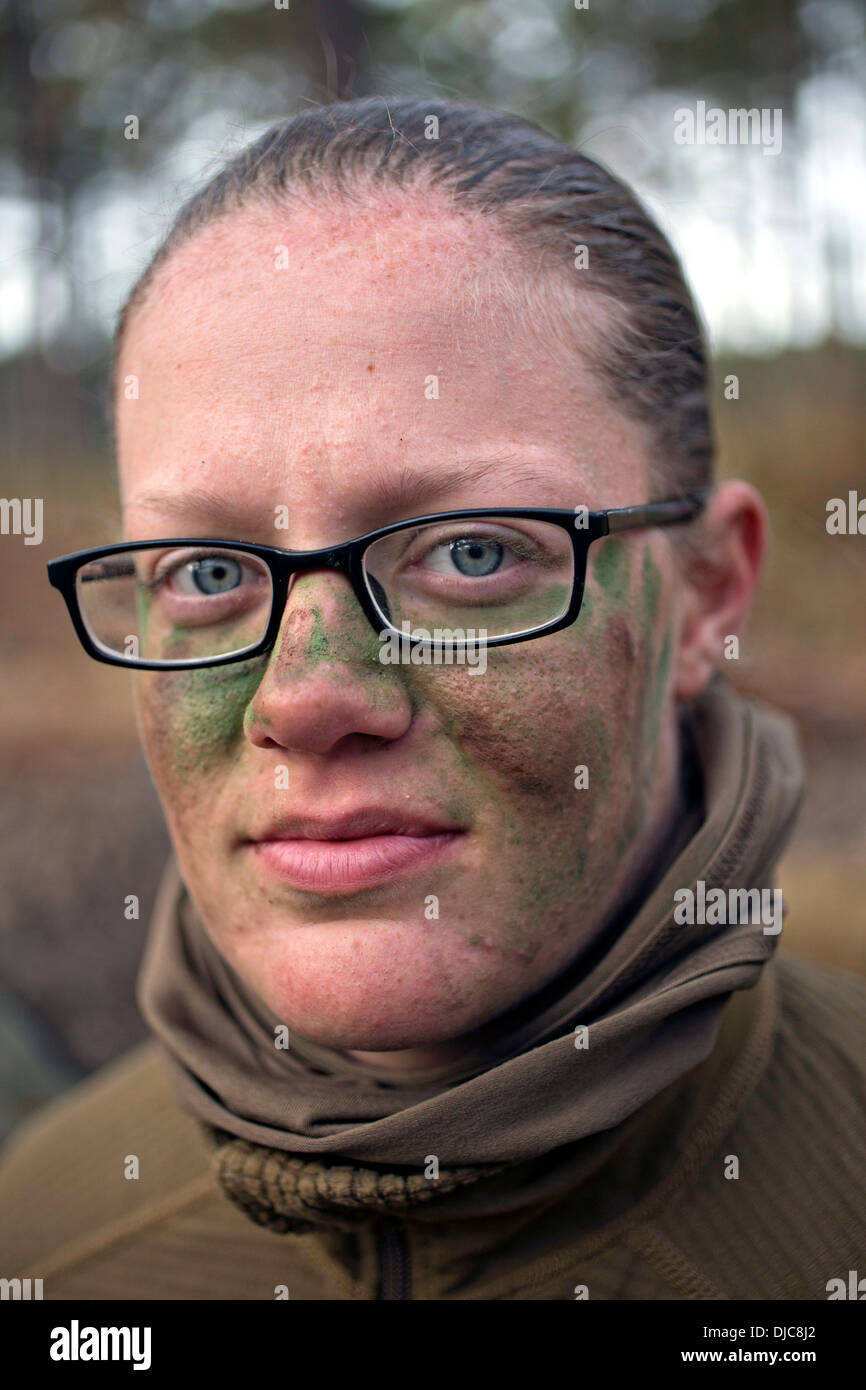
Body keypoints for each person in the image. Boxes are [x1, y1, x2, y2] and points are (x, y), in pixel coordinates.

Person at [1, 97, 864, 1301]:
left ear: (709, 592)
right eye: (205, 573)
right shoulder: (41, 1239)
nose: (304, 700)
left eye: (467, 552)